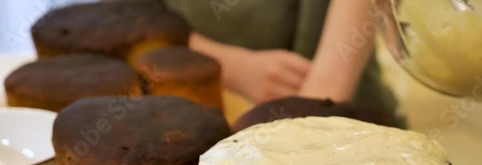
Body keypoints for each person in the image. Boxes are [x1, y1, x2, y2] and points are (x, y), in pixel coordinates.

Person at [164, 0, 405, 128]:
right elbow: (132, 17)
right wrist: (232, 67)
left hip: (344, 98)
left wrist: (322, 96)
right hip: (181, 102)